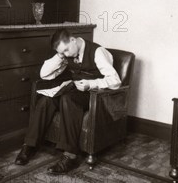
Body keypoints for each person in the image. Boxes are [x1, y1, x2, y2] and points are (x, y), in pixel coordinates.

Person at [14, 29, 121, 174]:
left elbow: (116, 81)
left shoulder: (97, 52)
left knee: (68, 99)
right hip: (75, 91)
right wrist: (59, 56)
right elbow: (44, 75)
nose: (66, 55)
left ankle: (70, 156)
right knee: (46, 100)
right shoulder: (67, 53)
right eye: (62, 52)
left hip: (94, 95)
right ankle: (30, 145)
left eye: (66, 50)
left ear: (73, 40)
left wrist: (91, 84)